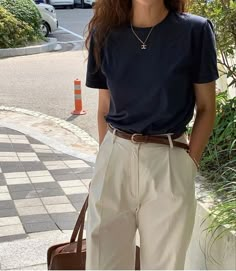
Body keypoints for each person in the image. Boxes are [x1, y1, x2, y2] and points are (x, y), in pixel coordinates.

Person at [85, 0, 219, 269]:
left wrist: (188, 163)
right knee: (102, 263)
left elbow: (206, 107)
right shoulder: (104, 32)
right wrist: (107, 157)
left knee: (165, 265)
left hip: (169, 158)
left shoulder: (195, 31)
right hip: (115, 156)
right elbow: (104, 107)